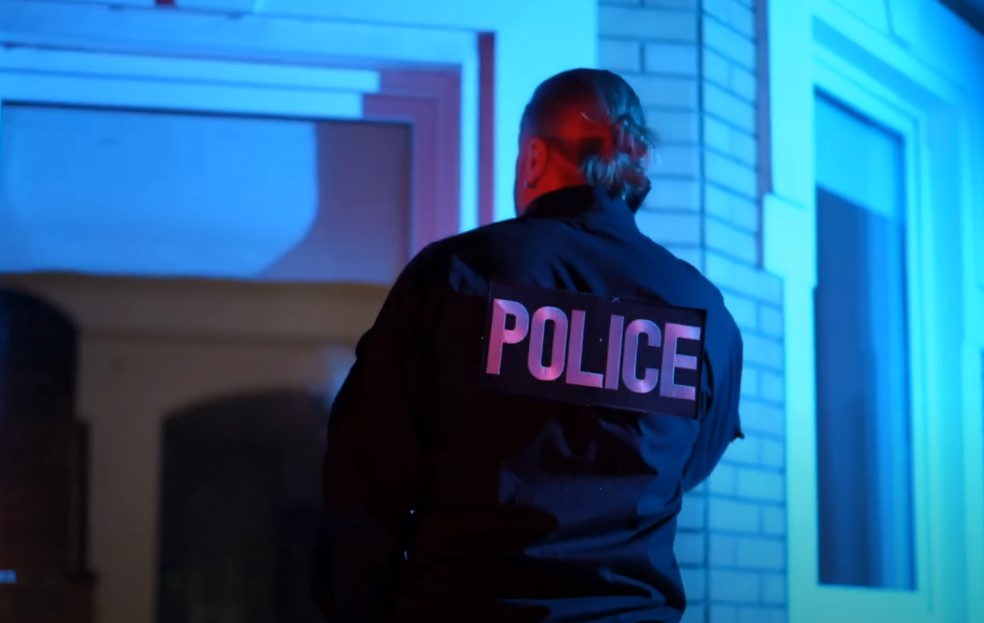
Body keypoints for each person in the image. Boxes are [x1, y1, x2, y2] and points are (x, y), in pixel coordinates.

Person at [312, 68, 744, 623]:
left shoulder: (456, 274)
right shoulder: (705, 313)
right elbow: (689, 467)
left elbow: (364, 478)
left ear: (534, 159)